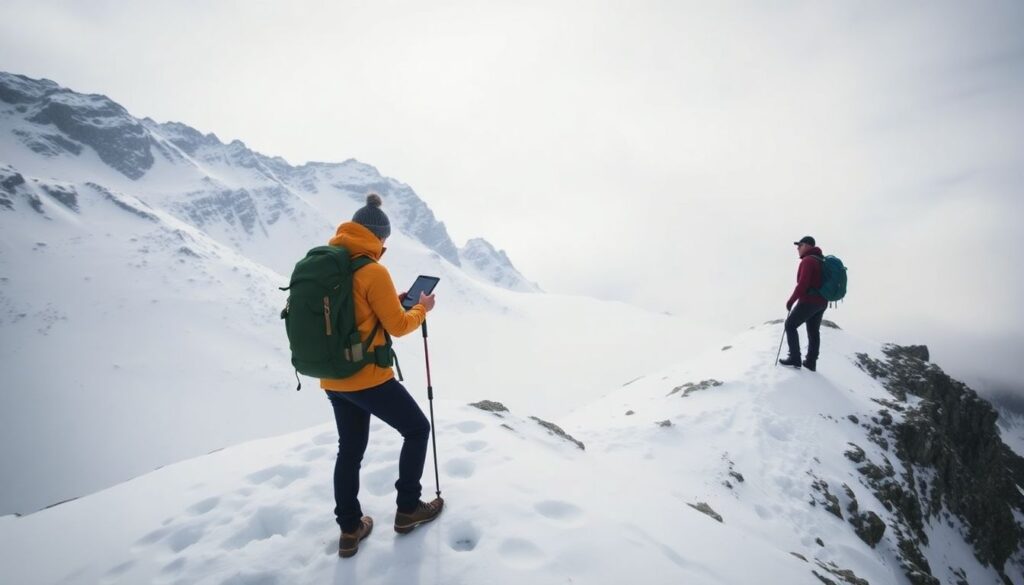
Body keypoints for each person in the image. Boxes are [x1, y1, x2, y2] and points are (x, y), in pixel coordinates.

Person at [322, 193, 444, 558]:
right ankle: (408, 509)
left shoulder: (333, 264)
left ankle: (349, 529)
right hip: (367, 376)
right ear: (378, 237)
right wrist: (421, 308)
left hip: (332, 378)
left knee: (350, 450)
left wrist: (395, 298)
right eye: (385, 240)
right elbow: (399, 324)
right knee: (417, 429)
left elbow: (357, 312)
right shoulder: (372, 269)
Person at [779, 236, 829, 372]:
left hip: (809, 300)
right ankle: (811, 362)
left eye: (799, 245)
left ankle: (795, 358)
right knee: (813, 331)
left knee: (790, 325)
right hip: (822, 302)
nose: (797, 248)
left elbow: (803, 284)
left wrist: (791, 300)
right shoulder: (821, 260)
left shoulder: (808, 261)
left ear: (807, 246)